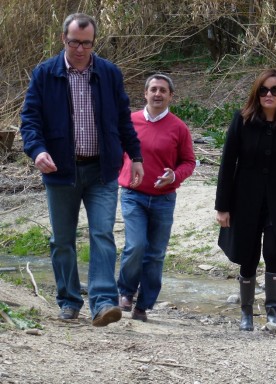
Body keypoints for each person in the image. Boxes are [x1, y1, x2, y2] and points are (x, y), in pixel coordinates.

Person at [20, 13, 144, 327]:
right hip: (61, 171)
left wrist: (136, 156)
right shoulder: (45, 74)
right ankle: (69, 301)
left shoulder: (109, 73)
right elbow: (30, 121)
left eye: (86, 43)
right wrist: (37, 151)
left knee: (102, 234)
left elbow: (122, 120)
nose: (80, 49)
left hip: (101, 170)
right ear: (64, 39)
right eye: (74, 42)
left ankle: (103, 303)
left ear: (93, 43)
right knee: (62, 240)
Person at [215, 68, 276, 331]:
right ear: (256, 93)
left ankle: (272, 313)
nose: (269, 95)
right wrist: (222, 206)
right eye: (264, 90)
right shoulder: (242, 120)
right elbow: (227, 164)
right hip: (244, 197)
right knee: (247, 254)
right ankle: (246, 314)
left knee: (274, 251)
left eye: (275, 90)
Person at [117, 74, 196, 322]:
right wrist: (119, 173)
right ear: (145, 93)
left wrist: (174, 176)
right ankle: (126, 292)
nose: (158, 94)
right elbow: (117, 152)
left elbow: (189, 162)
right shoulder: (130, 122)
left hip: (163, 198)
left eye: (163, 90)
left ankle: (144, 304)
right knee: (136, 245)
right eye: (153, 89)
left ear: (171, 96)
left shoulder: (179, 128)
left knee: (155, 254)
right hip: (132, 195)